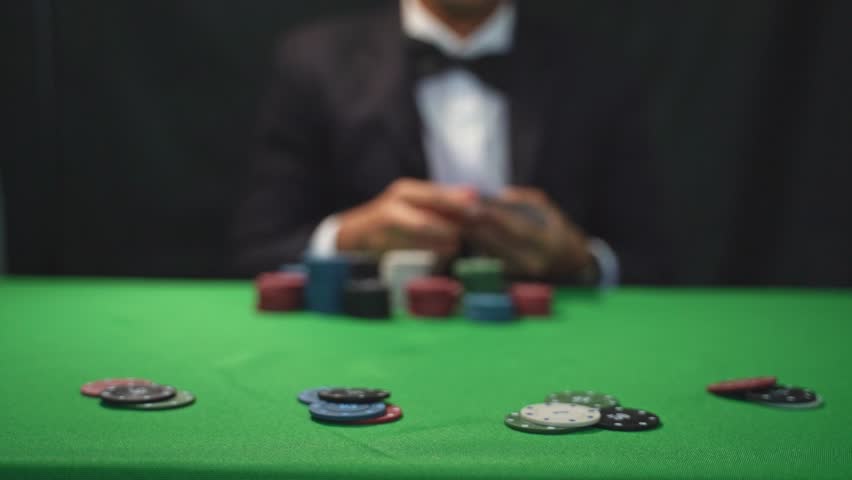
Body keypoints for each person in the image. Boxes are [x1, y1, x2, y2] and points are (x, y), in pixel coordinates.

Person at [233, 0, 669, 285]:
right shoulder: (312, 60)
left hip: (559, 346)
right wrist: (351, 237)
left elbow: (655, 260)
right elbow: (259, 250)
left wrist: (580, 260)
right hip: (366, 351)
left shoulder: (597, 66)